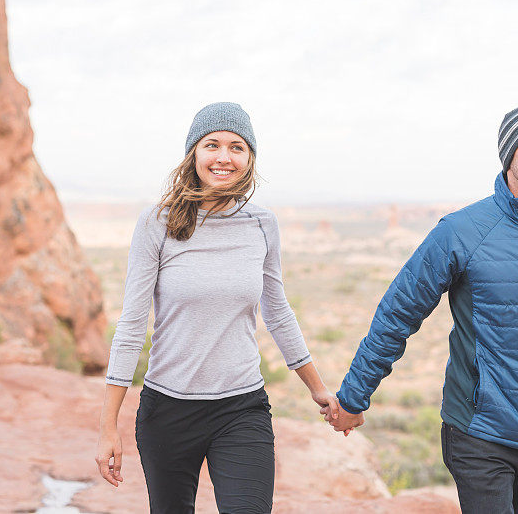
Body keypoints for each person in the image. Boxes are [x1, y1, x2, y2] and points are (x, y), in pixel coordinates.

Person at [326, 104, 518, 513]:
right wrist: (353, 398)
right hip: (477, 431)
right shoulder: (462, 230)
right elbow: (397, 315)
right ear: (509, 152)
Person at [95, 102, 341, 513]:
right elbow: (132, 326)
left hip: (241, 408)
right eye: (212, 145)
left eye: (237, 147)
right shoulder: (159, 221)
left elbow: (278, 312)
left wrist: (317, 388)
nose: (224, 157)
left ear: (250, 159)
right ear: (194, 153)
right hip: (168, 410)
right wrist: (108, 427)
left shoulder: (263, 224)